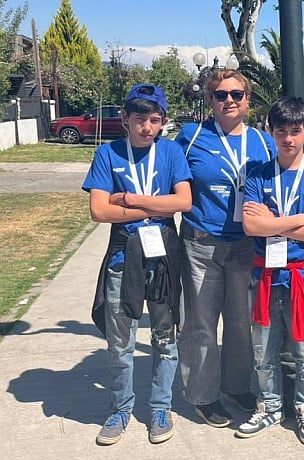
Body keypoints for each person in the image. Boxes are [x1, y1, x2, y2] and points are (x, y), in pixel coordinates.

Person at [83, 83, 192, 444]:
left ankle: (161, 406)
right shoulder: (108, 153)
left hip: (163, 255)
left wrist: (129, 200)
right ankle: (121, 408)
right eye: (140, 119)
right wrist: (156, 205)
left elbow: (184, 203)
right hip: (123, 255)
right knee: (120, 341)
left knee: (165, 336)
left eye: (155, 120)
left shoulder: (172, 152)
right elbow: (99, 210)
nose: (147, 127)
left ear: (163, 123)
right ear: (124, 118)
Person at [174, 70, 276, 427]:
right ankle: (203, 396)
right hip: (201, 243)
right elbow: (171, 179)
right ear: (210, 100)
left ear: (248, 99)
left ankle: (235, 387)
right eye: (220, 95)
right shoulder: (190, 137)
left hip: (246, 246)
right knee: (200, 323)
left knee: (241, 324)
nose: (229, 100)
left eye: (236, 94)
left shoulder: (264, 142)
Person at [237, 97, 304, 445]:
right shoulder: (258, 174)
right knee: (262, 351)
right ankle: (268, 408)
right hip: (265, 278)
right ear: (271, 132)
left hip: (303, 280)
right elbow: (251, 226)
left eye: (296, 132)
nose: (288, 139)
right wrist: (299, 220)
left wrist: (273, 223)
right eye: (282, 131)